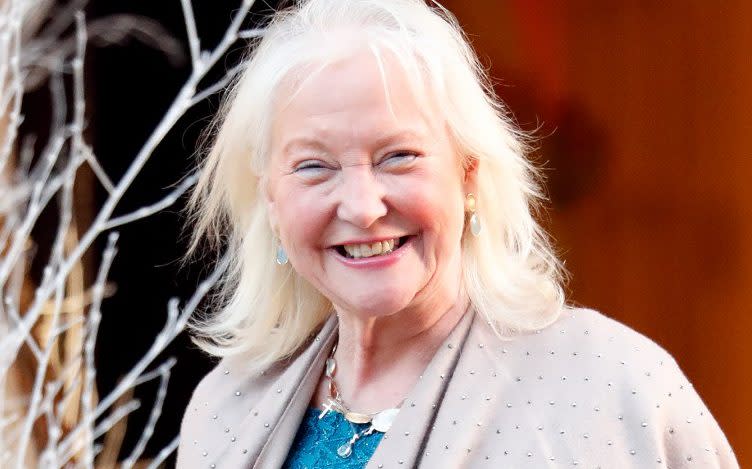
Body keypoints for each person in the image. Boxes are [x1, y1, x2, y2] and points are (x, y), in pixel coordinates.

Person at [176, 0, 738, 467]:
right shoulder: (224, 411)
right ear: (271, 200)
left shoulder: (611, 387)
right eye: (314, 166)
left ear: (468, 174)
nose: (364, 207)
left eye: (398, 157)